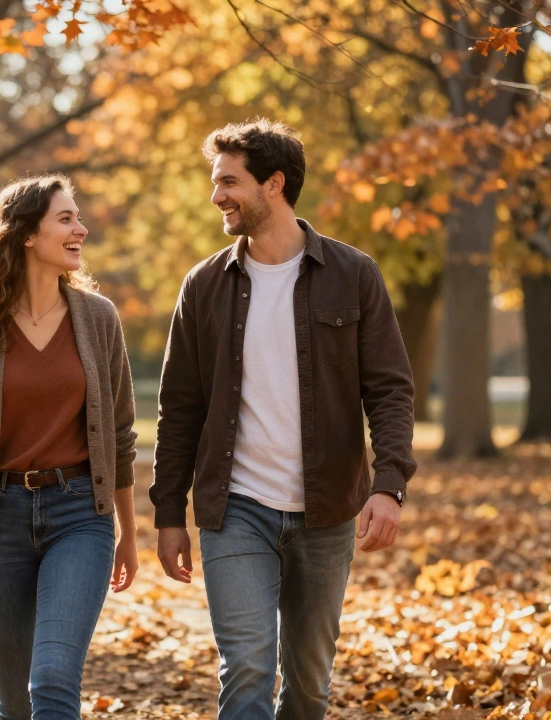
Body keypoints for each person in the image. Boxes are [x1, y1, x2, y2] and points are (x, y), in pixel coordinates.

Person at [151, 119, 417, 720]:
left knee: (308, 684)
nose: (217, 195)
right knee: (246, 667)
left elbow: (391, 391)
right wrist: (170, 513)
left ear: (274, 184)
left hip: (325, 510)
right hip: (234, 507)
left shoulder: (354, 274)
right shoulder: (204, 286)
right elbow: (179, 409)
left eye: (229, 181)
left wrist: (390, 484)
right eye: (215, 181)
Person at [0, 174, 139, 720]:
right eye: (65, 219)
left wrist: (130, 533)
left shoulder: (98, 319)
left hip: (79, 515)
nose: (80, 229)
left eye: (78, 218)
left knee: (53, 680)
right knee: (16, 703)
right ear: (25, 235)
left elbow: (119, 434)